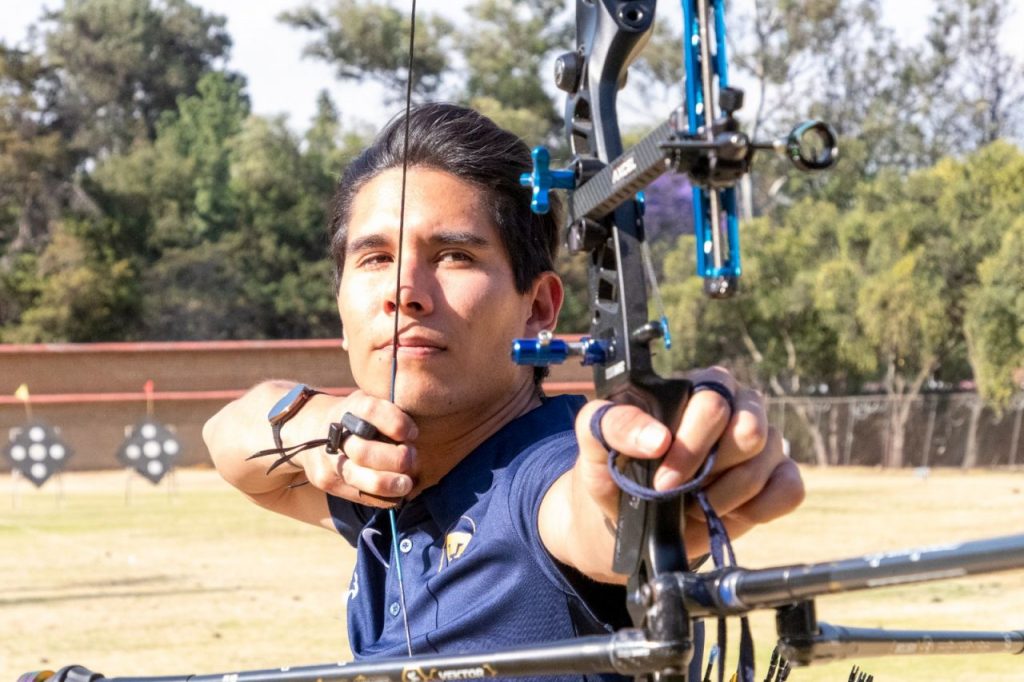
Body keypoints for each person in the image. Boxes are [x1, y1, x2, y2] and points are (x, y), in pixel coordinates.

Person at [204, 103, 803, 678]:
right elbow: (227, 438)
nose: (403, 291)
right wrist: (318, 428)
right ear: (340, 310)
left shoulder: (543, 473)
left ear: (538, 308)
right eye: (376, 258)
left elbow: (592, 516)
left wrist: (649, 482)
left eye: (455, 255)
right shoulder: (382, 483)